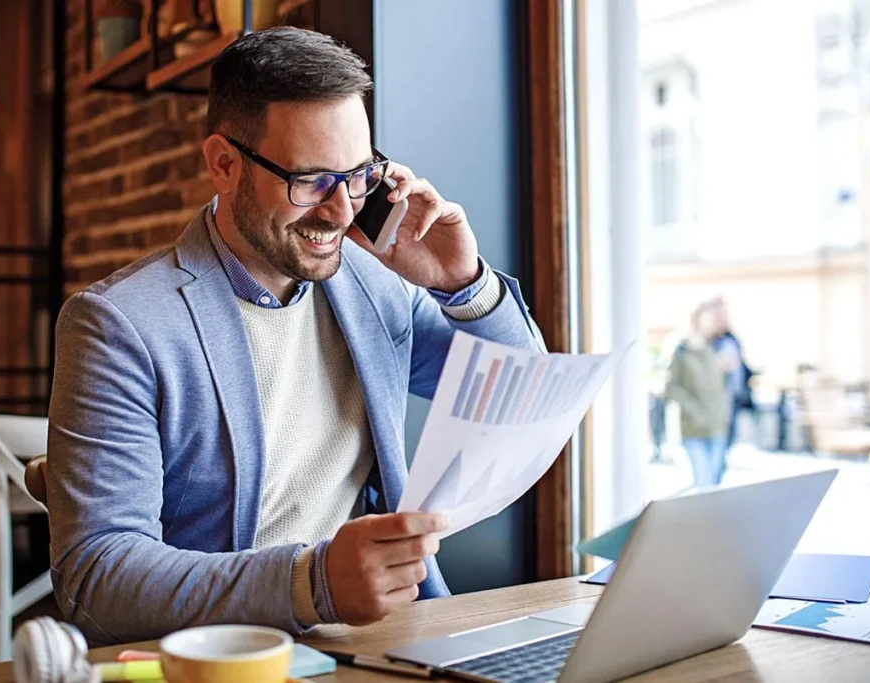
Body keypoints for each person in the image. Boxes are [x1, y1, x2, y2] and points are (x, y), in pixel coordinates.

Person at [45, 27, 545, 645]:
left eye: (359, 176)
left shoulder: (374, 282)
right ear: (224, 164)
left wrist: (463, 285)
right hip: (232, 656)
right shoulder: (119, 325)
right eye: (310, 180)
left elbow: (522, 396)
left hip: (397, 636)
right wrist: (311, 582)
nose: (340, 212)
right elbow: (95, 579)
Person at [665, 303, 731, 487]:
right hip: (693, 427)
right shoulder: (681, 351)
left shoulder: (713, 349)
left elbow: (719, 387)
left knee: (714, 484)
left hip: (717, 426)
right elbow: (671, 387)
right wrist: (693, 410)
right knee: (703, 482)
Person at [707, 296, 755, 457]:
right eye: (720, 313)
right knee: (718, 440)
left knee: (728, 441)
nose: (724, 317)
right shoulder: (708, 341)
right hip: (717, 398)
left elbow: (740, 362)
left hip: (733, 396)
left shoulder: (730, 338)